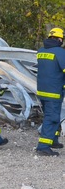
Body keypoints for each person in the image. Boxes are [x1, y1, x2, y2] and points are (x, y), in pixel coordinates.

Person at [35, 27, 65, 156]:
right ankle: (43, 146)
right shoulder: (60, 52)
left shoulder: (40, 51)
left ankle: (53, 140)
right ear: (59, 39)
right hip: (54, 91)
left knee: (51, 115)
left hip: (42, 90)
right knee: (52, 118)